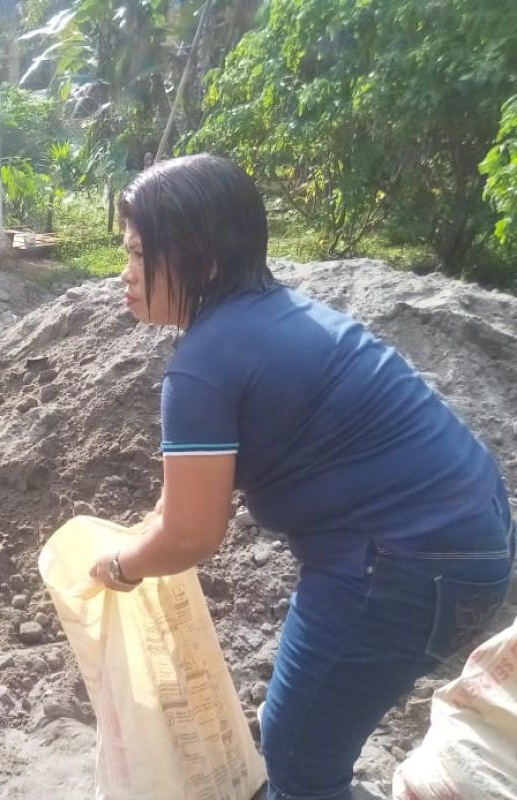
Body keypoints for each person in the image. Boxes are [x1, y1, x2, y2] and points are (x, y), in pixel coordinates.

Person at [91, 153, 514, 800]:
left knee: (296, 753)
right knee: (308, 737)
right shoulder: (272, 317)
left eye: (137, 254)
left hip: (407, 566)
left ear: (202, 262)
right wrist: (147, 534)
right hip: (476, 538)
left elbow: (192, 534)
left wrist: (123, 565)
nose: (122, 275)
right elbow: (181, 500)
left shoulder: (204, 364)